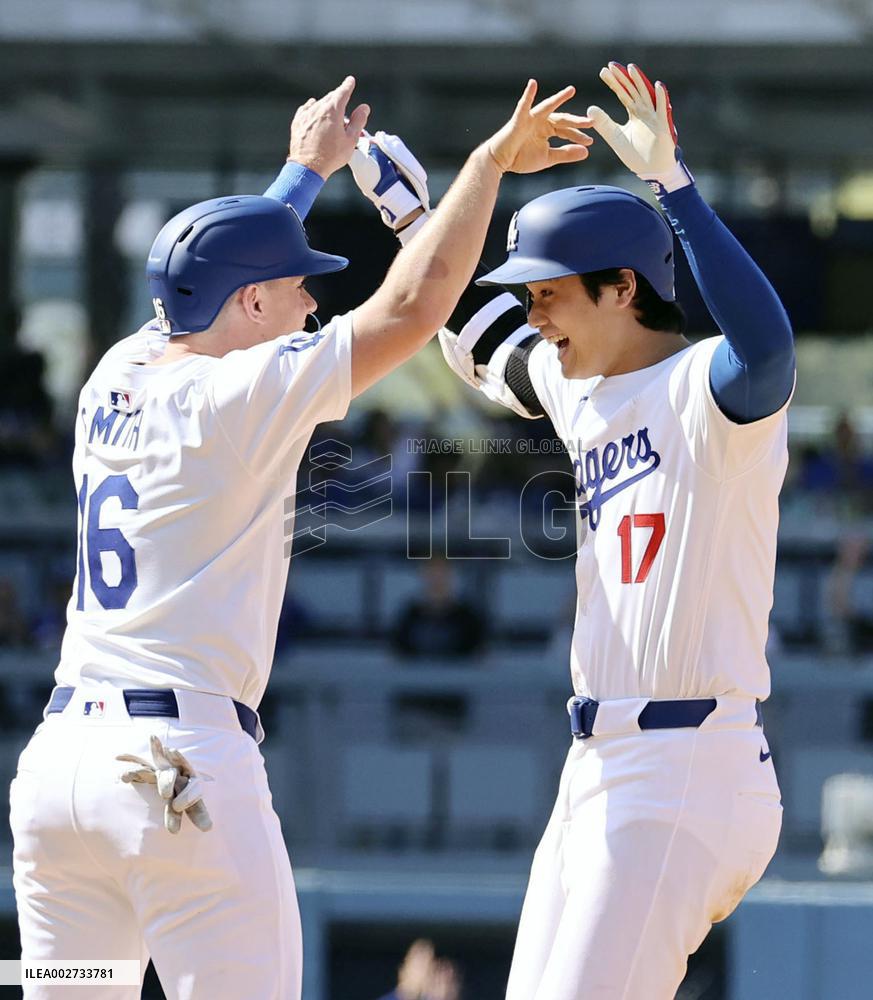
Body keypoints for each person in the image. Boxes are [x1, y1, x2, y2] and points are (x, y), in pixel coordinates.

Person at [9, 74, 590, 999]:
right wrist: (485, 167)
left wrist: (299, 174)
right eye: (297, 289)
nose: (311, 306)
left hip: (56, 786)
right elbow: (411, 311)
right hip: (176, 776)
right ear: (247, 305)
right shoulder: (231, 397)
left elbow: (210, 276)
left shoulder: (119, 368)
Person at [350, 62, 794, 999]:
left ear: (622, 289)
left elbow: (770, 350)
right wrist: (411, 220)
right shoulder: (577, 385)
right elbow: (478, 343)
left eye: (548, 289)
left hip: (686, 760)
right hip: (599, 762)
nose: (533, 307)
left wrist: (674, 189)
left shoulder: (709, 390)